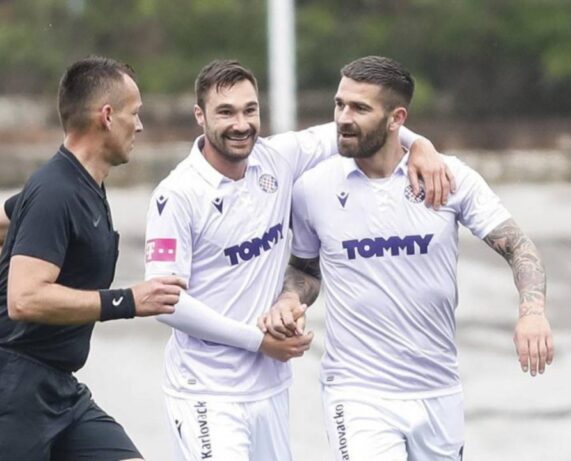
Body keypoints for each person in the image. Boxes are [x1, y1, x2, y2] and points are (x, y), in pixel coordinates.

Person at [143, 59, 451, 461]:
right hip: (205, 394)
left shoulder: (278, 157)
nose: (241, 124)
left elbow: (361, 126)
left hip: (270, 389)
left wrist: (421, 145)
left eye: (250, 110)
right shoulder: (176, 195)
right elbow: (165, 303)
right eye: (226, 112)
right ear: (199, 116)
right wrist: (258, 341)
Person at [260, 55, 554, 460]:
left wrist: (532, 312)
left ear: (396, 118)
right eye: (339, 104)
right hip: (356, 392)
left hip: (438, 389)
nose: (343, 118)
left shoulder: (447, 178)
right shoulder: (312, 188)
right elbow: (305, 268)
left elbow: (518, 246)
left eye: (359, 108)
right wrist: (290, 299)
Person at [0, 56, 186, 461]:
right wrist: (127, 301)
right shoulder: (56, 192)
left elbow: (8, 221)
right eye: (134, 113)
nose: (140, 126)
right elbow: (24, 299)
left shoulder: (77, 184)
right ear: (107, 116)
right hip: (13, 393)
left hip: (60, 392)